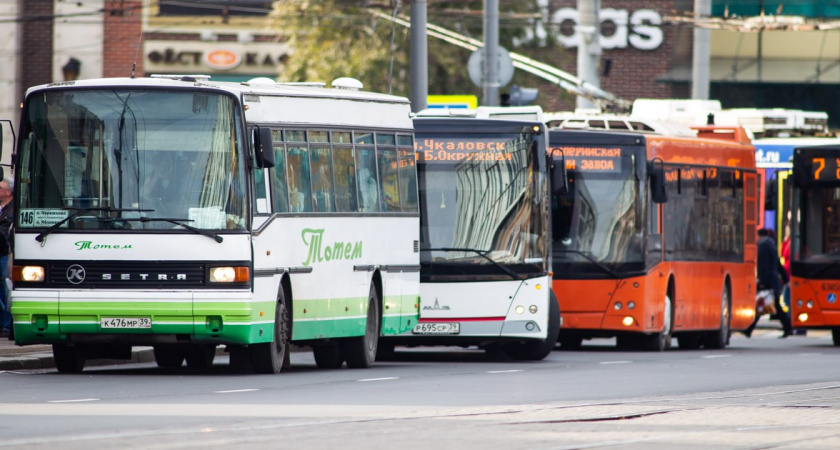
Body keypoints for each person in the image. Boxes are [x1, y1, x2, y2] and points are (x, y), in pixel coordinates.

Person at [745, 228, 792, 338]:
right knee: (767, 305)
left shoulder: (763, 246)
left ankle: (788, 327)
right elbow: (778, 265)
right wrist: (786, 279)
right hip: (773, 281)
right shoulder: (771, 245)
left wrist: (762, 281)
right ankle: (749, 329)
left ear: (760, 236)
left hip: (768, 281)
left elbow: (763, 266)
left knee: (764, 305)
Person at [0, 178, 13, 337]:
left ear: (8, 192)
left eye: (0, 188)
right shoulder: (3, 209)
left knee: (6, 288)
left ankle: (7, 325)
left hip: (5, 253)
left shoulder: (13, 209)